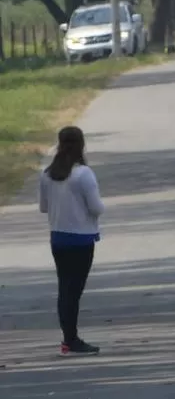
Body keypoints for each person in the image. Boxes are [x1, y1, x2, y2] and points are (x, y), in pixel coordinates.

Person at [39, 126, 104, 356]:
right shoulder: (83, 174)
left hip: (57, 238)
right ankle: (71, 339)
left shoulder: (47, 174)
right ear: (81, 145)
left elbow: (43, 207)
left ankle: (68, 337)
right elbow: (97, 207)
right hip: (81, 239)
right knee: (73, 291)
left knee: (65, 288)